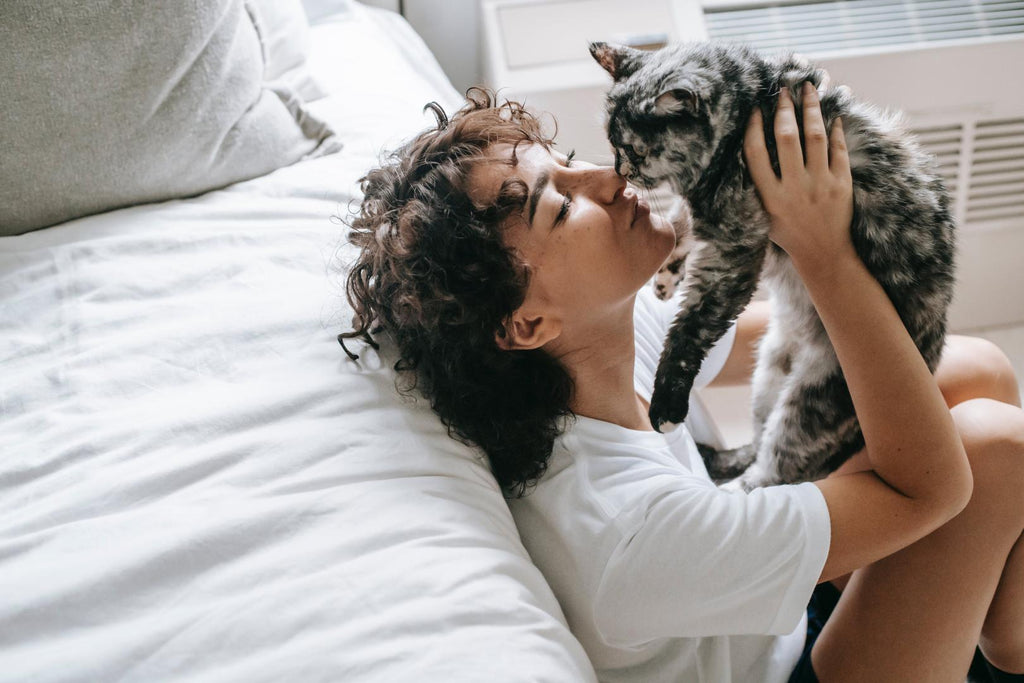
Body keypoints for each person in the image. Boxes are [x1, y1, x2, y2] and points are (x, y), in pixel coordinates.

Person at [339, 86, 1024, 682]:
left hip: (752, 618)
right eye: (560, 206)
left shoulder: (591, 346)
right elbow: (931, 488)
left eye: (571, 163)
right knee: (994, 451)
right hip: (776, 669)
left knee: (973, 367)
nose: (608, 179)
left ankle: (1002, 644)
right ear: (527, 324)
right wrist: (822, 248)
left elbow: (799, 344)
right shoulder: (627, 532)